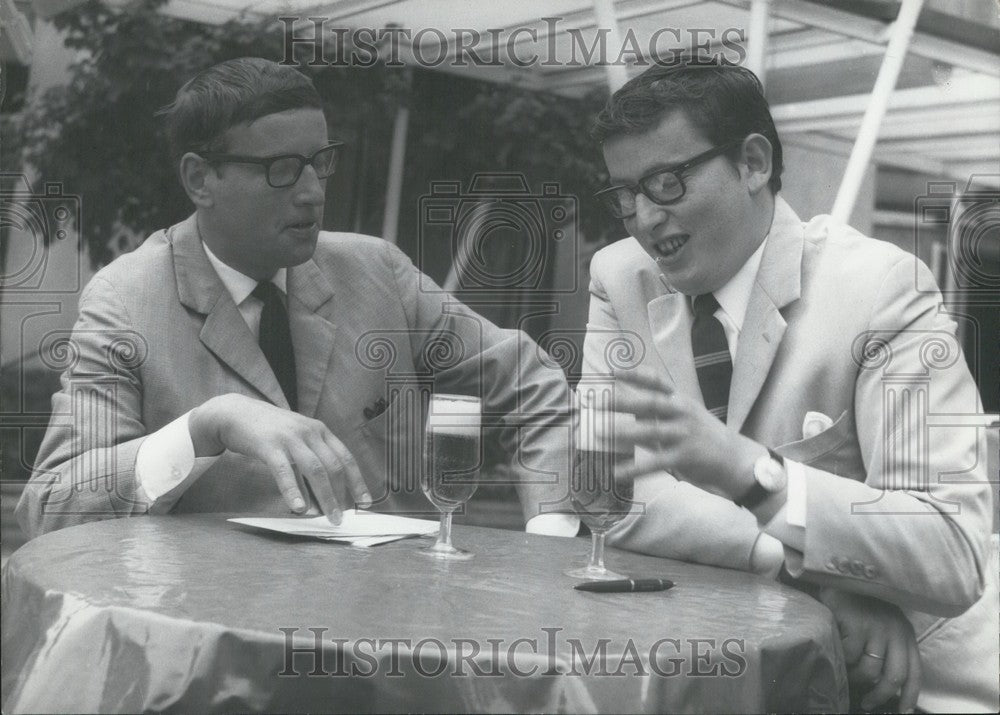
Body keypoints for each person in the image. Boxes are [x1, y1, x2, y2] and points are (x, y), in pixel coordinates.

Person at [582, 63, 997, 712]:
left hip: (909, 688)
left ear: (752, 163)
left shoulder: (881, 288)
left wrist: (751, 471)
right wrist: (801, 570)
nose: (641, 216)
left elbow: (951, 548)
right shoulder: (618, 276)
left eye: (666, 182)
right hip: (724, 674)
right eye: (625, 193)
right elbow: (612, 488)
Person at [17, 57, 575, 540]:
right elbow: (52, 508)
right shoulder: (124, 302)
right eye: (281, 169)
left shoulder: (375, 271)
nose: (312, 192)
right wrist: (204, 427)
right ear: (199, 180)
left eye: (321, 161)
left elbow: (536, 386)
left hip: (385, 639)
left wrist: (551, 534)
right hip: (217, 644)